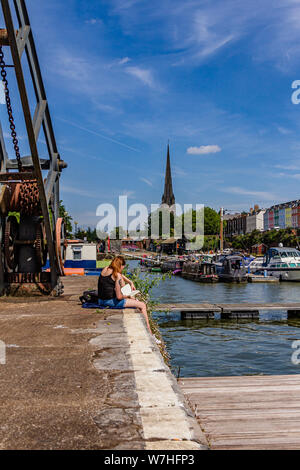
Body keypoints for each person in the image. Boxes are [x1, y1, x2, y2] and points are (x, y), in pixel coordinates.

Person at [98, 255, 151, 333]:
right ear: (120, 266)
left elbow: (119, 275)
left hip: (100, 300)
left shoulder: (105, 269)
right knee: (142, 305)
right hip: (109, 301)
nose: (123, 269)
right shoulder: (118, 276)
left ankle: (146, 327)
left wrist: (130, 282)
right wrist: (129, 296)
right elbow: (119, 297)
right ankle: (149, 330)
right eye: (123, 267)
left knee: (134, 300)